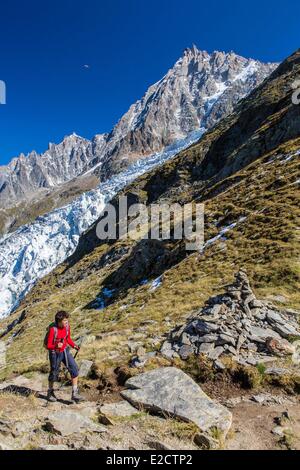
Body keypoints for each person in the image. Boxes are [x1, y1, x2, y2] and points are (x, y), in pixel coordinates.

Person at [46, 310, 85, 403]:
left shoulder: (67, 327)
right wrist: (55, 346)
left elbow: (68, 338)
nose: (67, 322)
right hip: (54, 353)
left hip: (64, 351)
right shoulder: (53, 330)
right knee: (54, 373)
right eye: (64, 320)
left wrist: (74, 345)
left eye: (67, 320)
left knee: (74, 368)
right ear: (59, 321)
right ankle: (50, 392)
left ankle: (74, 393)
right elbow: (48, 345)